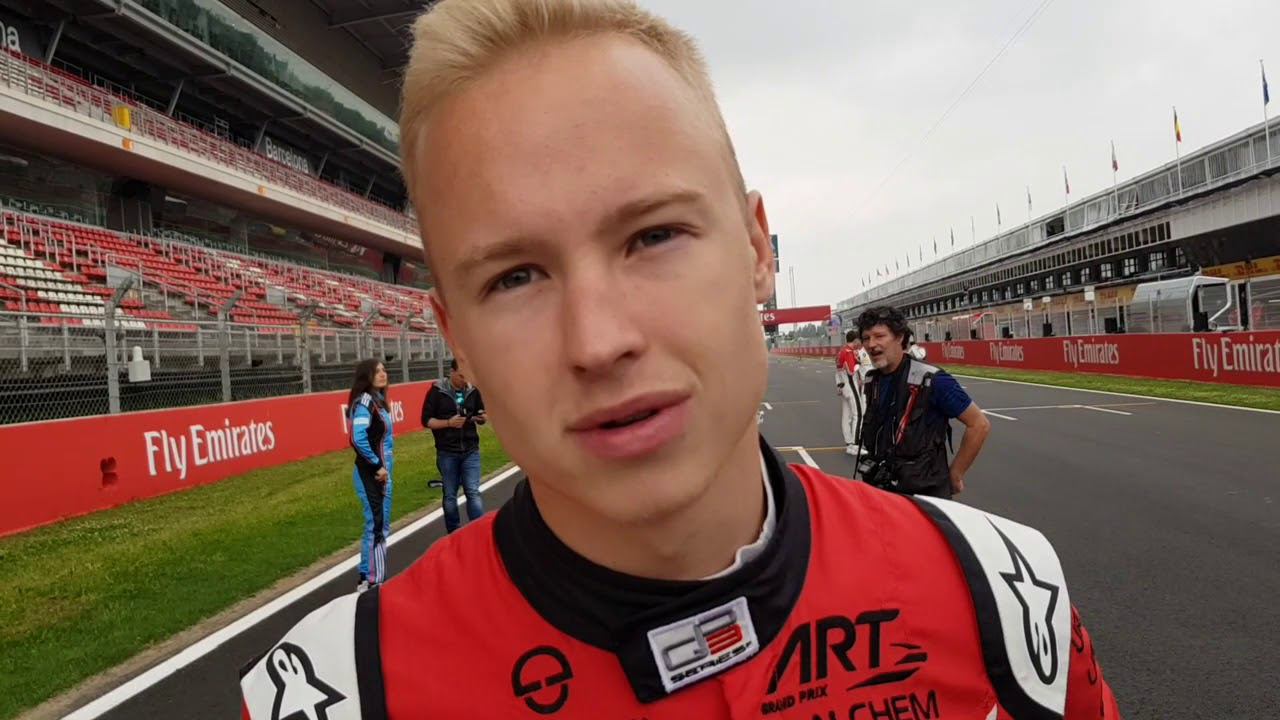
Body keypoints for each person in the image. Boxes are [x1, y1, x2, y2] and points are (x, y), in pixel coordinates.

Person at [239, 2, 1120, 718]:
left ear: (757, 249)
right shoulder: (338, 694)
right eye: (514, 277)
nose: (598, 341)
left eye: (653, 235)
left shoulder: (1000, 592)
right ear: (454, 332)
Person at [856, 305, 991, 498]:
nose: (871, 344)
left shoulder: (932, 379)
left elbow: (979, 424)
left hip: (923, 494)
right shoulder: (873, 380)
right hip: (882, 491)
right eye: (866, 338)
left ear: (899, 337)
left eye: (879, 336)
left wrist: (955, 474)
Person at [422, 358, 487, 533]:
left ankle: (479, 532)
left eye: (467, 376)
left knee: (472, 491)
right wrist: (448, 423)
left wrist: (480, 418)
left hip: (470, 449)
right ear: (451, 372)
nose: (465, 380)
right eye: (461, 376)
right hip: (447, 451)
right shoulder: (437, 391)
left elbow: (482, 413)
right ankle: (454, 532)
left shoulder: (473, 390)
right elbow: (426, 421)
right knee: (450, 495)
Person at [346, 359, 393, 592]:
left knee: (377, 525)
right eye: (377, 371)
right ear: (367, 376)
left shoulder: (378, 401)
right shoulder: (365, 402)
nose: (383, 373)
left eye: (384, 369)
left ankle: (367, 576)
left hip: (382, 472)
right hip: (372, 474)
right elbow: (357, 437)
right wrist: (377, 466)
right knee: (377, 526)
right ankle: (375, 581)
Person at [834, 329, 871, 456]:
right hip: (851, 385)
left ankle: (849, 443)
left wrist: (839, 385)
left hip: (843, 385)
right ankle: (855, 445)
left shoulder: (841, 352)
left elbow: (838, 370)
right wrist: (858, 363)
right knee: (858, 414)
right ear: (855, 340)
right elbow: (851, 371)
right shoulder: (848, 352)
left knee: (847, 415)